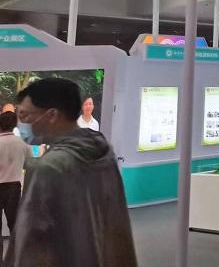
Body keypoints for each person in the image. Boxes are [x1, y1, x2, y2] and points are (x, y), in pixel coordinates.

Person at [7, 78, 136, 267]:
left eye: (24, 115)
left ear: (52, 115)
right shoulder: (103, 152)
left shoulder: (49, 167)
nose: (21, 123)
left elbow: (30, 244)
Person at [0, 112, 30, 261]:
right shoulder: (21, 144)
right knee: (14, 225)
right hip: (14, 187)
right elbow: (29, 164)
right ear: (15, 124)